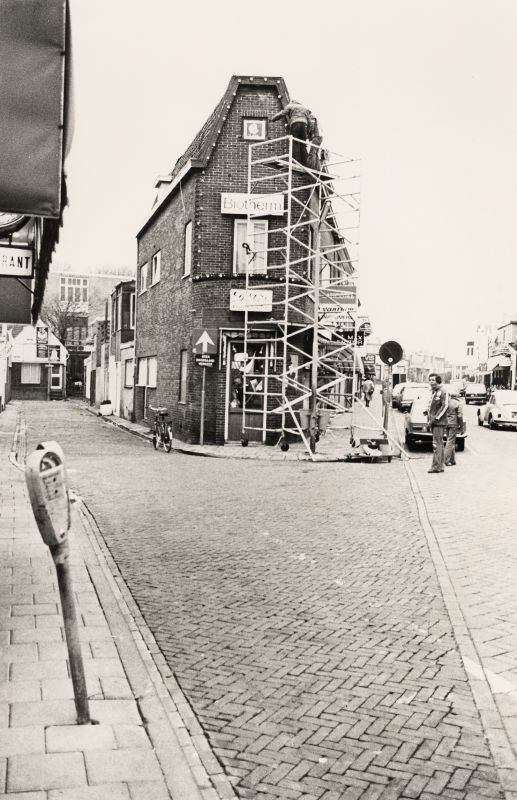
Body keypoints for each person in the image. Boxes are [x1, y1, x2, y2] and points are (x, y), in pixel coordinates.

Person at [271, 100, 311, 165]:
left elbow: (282, 113)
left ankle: (296, 162)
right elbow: (309, 121)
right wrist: (308, 132)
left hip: (295, 124)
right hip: (304, 125)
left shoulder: (290, 105)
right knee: (303, 144)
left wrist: (273, 118)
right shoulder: (304, 108)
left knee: (295, 143)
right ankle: (304, 163)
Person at [426, 374, 448, 473]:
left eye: (433, 380)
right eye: (430, 380)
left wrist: (436, 418)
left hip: (438, 422)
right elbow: (433, 405)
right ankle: (440, 465)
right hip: (434, 421)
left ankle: (435, 466)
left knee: (436, 445)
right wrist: (427, 411)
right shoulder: (434, 391)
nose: (431, 382)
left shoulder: (442, 391)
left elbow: (445, 406)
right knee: (439, 444)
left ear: (438, 381)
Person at [444, 392, 464, 466]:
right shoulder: (458, 403)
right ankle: (446, 460)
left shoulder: (447, 402)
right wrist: (461, 426)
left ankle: (452, 460)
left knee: (450, 441)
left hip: (446, 423)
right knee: (450, 442)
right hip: (453, 424)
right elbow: (460, 416)